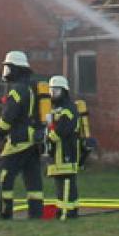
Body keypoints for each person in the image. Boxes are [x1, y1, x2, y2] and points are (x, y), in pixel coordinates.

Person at [0, 51, 45, 219]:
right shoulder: (32, 88)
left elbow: (9, 115)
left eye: (8, 68)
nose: (6, 72)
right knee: (33, 180)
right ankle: (36, 214)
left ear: (16, 69)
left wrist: (0, 132)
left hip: (19, 141)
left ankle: (4, 213)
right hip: (33, 142)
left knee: (2, 176)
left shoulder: (17, 90)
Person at [44, 75, 81, 220]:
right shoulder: (55, 109)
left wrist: (49, 137)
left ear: (64, 91)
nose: (53, 94)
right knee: (59, 182)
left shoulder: (69, 109)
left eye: (57, 91)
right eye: (52, 91)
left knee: (66, 182)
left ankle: (68, 212)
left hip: (67, 151)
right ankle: (61, 210)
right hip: (57, 153)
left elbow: (64, 129)